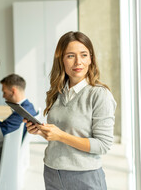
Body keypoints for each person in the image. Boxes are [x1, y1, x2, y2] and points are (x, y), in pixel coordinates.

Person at [25, 31, 116, 190]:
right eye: (70, 56)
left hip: (84, 176)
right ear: (61, 60)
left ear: (91, 59)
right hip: (52, 171)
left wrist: (60, 136)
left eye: (83, 55)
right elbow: (63, 134)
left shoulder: (99, 95)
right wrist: (42, 132)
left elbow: (103, 145)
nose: (78, 62)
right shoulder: (58, 92)